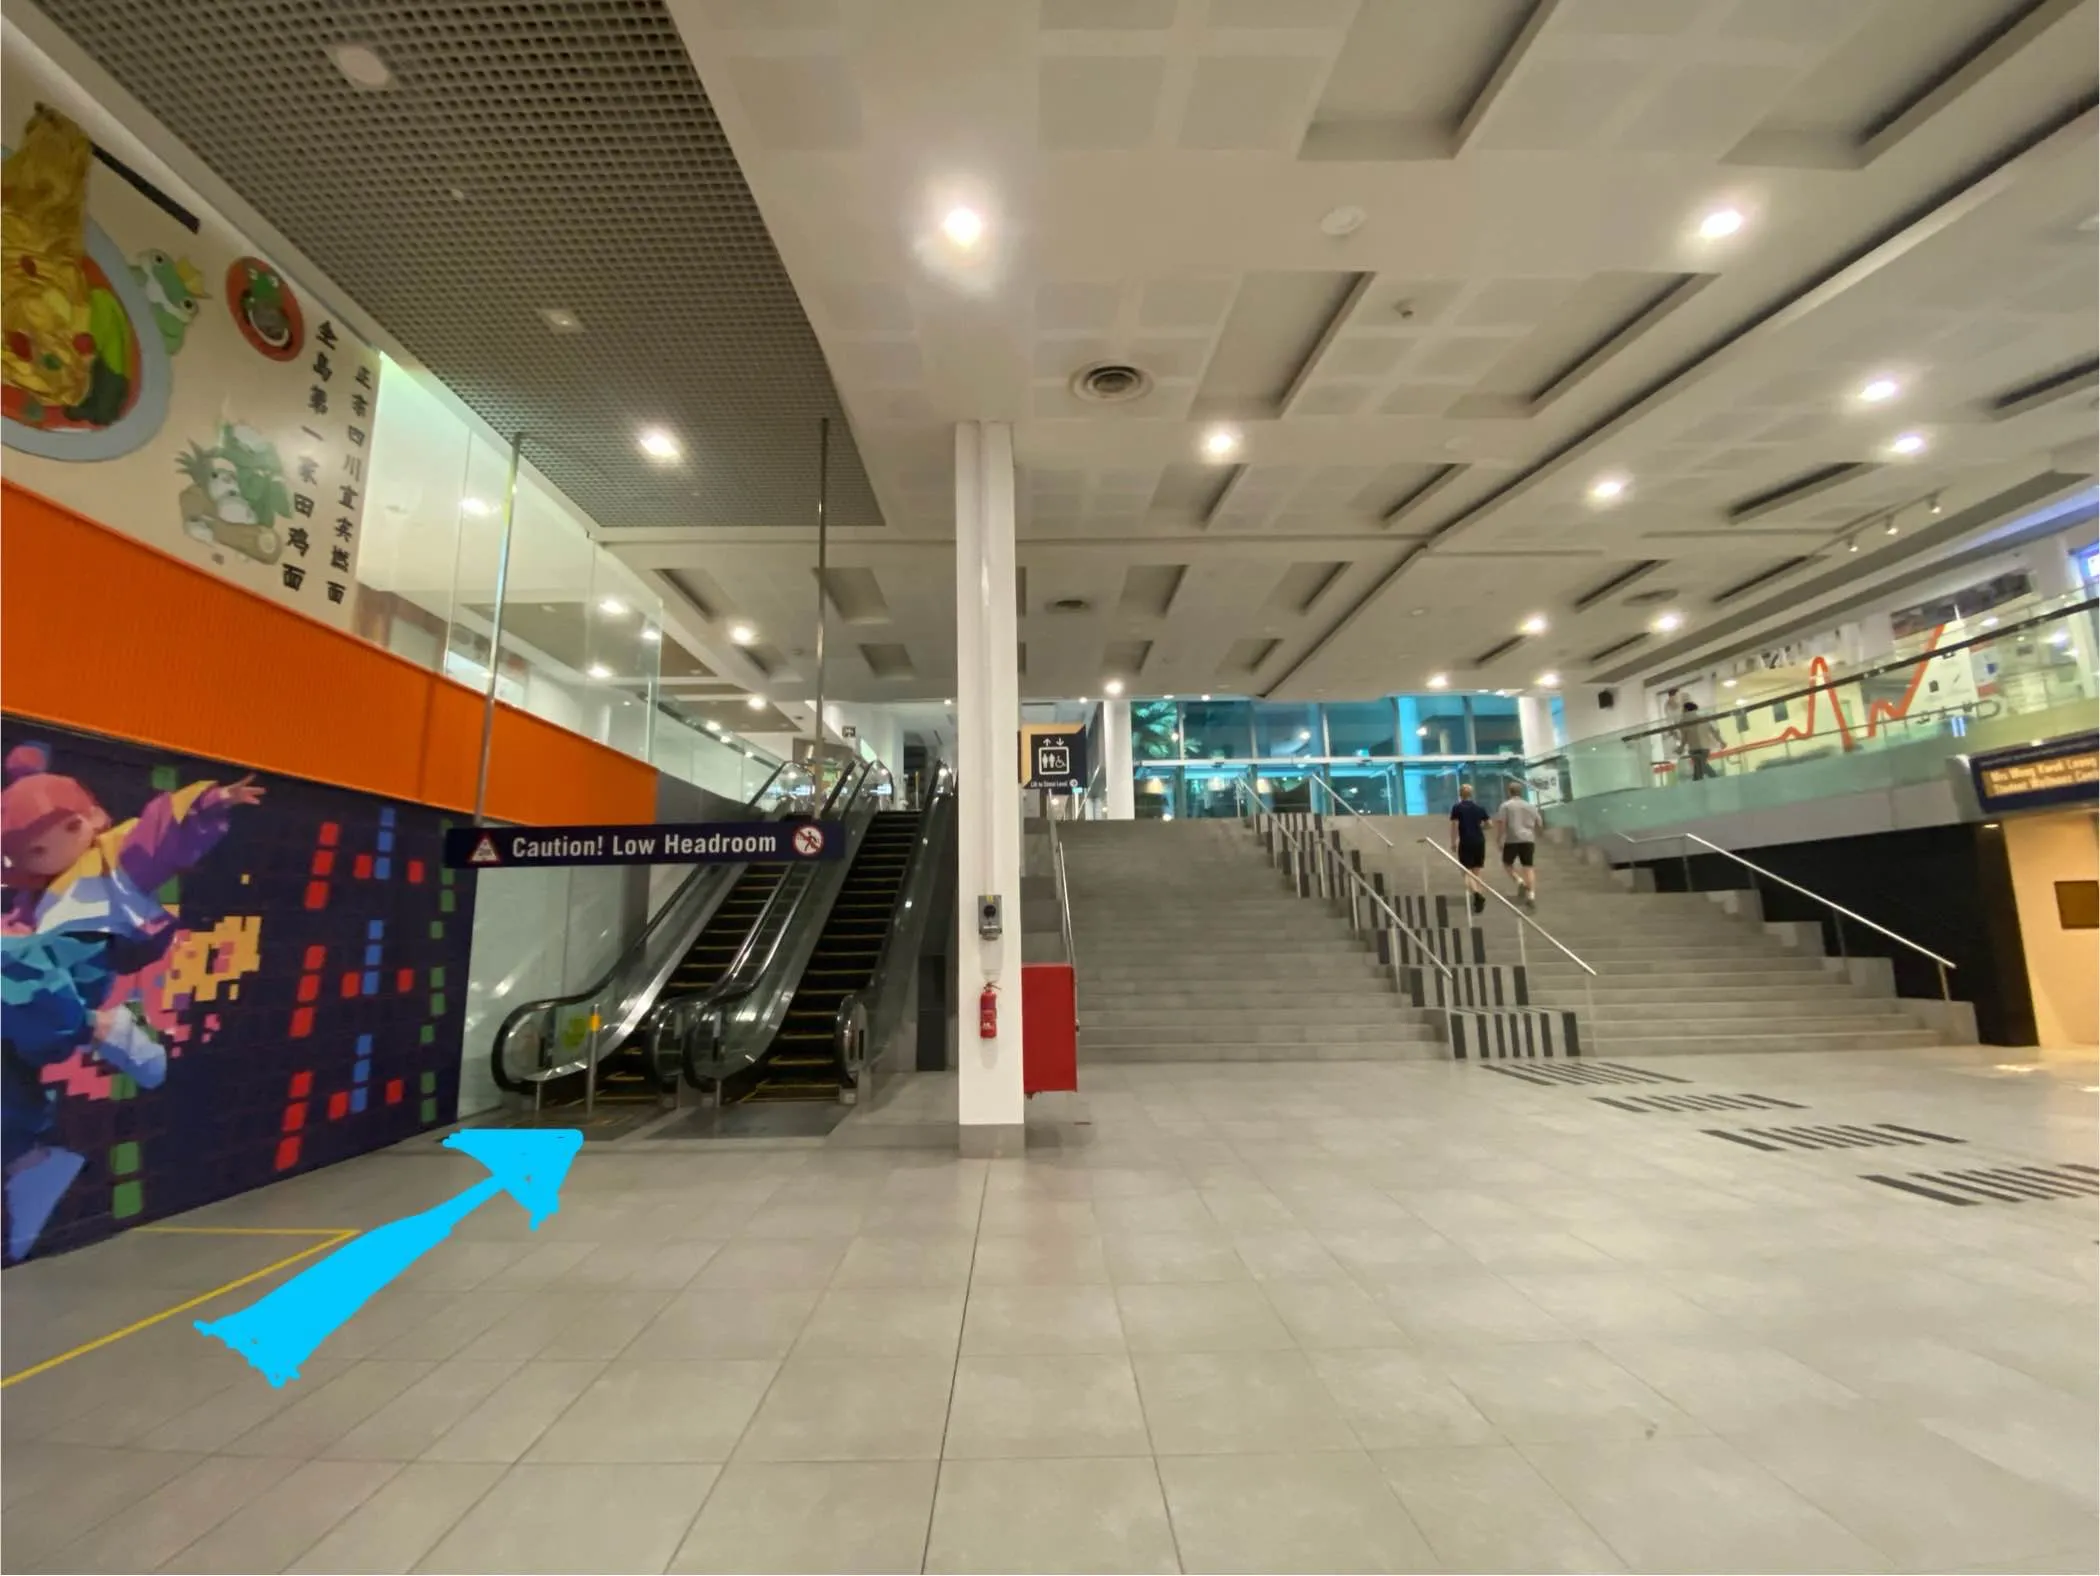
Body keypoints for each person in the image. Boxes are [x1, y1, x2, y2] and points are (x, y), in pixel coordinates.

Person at [1494, 780, 1545, 907]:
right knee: (1528, 867)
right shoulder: (1530, 806)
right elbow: (1539, 822)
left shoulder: (1505, 806)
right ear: (1520, 792)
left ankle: (1519, 881)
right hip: (1528, 839)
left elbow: (1502, 824)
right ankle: (1531, 895)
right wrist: (1538, 834)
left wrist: (1499, 839)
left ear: (1509, 792)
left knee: (1507, 864)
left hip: (1512, 839)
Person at [1448, 782, 1492, 915]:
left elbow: (1455, 826)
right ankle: (1478, 896)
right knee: (1476, 871)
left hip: (1466, 841)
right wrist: (1479, 827)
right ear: (1471, 794)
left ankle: (1477, 895)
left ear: (1460, 794)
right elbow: (1490, 824)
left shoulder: (1457, 807)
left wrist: (1453, 842)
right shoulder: (1479, 808)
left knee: (1466, 871)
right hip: (1479, 841)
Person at [1677, 699, 1720, 782]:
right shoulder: (1699, 719)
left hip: (1696, 748)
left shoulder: (1685, 721)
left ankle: (1712, 780)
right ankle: (1713, 779)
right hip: (1701, 748)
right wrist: (1720, 741)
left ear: (1687, 710)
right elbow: (1712, 730)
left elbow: (1685, 736)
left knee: (1700, 767)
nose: (1682, 712)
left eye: (1683, 710)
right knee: (1701, 766)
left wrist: (1681, 747)